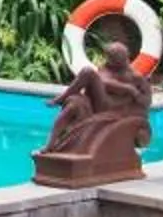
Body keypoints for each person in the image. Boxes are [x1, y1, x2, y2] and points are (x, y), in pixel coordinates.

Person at [39, 37, 152, 167]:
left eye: (120, 58)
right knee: (72, 106)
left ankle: (61, 98)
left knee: (87, 72)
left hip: (110, 108)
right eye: (113, 58)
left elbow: (146, 102)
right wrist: (127, 88)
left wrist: (134, 95)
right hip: (95, 104)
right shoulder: (107, 68)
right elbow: (103, 81)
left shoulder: (135, 77)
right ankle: (50, 144)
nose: (114, 62)